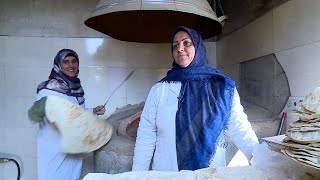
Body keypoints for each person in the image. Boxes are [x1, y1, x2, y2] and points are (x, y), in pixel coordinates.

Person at [132, 26, 259, 171]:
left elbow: (239, 128)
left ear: (198, 47)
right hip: (167, 172)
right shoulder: (159, 90)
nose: (180, 48)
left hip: (208, 173)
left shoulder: (221, 88)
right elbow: (145, 136)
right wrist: (137, 174)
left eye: (186, 43)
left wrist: (262, 162)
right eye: (175, 45)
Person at [30, 49, 105, 180]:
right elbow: (40, 114)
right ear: (58, 65)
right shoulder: (48, 89)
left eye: (74, 61)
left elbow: (74, 112)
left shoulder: (76, 89)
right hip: (54, 150)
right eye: (66, 62)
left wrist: (92, 111)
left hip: (73, 151)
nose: (71, 65)